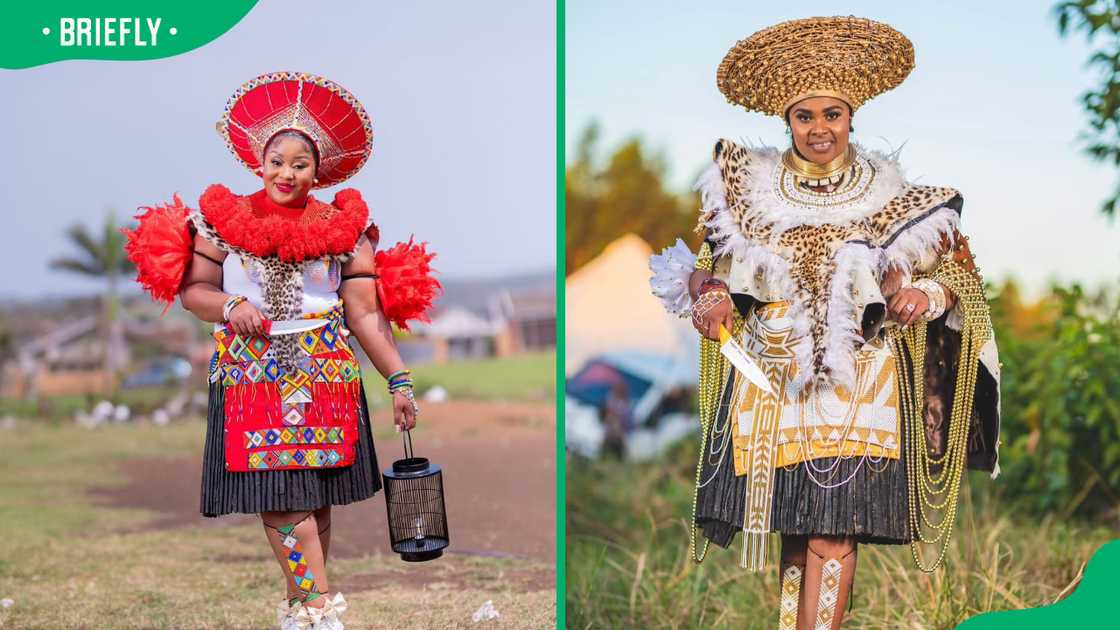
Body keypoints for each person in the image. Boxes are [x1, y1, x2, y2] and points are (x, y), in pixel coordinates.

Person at [649, 17, 1002, 629]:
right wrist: (709, 297)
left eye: (831, 115)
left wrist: (923, 292)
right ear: (786, 120)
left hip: (862, 379)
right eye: (805, 116)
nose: (819, 129)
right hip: (771, 377)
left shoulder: (892, 193)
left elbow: (961, 278)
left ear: (851, 117)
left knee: (835, 532)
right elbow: (710, 268)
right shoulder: (747, 186)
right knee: (797, 526)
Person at [124, 71, 439, 630]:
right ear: (259, 162)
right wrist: (229, 306)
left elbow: (365, 314)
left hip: (326, 374)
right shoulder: (220, 222)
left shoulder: (346, 230)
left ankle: (301, 609)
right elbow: (195, 292)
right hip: (252, 377)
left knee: (313, 497)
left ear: (318, 170)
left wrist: (399, 380)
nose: (286, 173)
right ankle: (317, 609)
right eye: (276, 161)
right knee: (279, 497)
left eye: (300, 164)